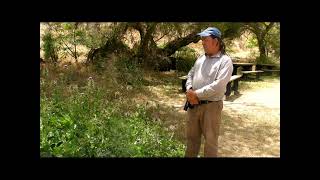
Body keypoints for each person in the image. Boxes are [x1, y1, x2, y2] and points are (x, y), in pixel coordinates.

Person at [185, 27, 233, 157]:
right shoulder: (200, 58)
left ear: (216, 41)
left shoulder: (225, 61)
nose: (203, 42)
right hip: (193, 105)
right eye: (202, 39)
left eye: (206, 39)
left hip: (211, 107)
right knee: (191, 140)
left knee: (210, 142)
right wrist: (189, 89)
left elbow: (218, 86)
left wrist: (196, 94)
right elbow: (190, 74)